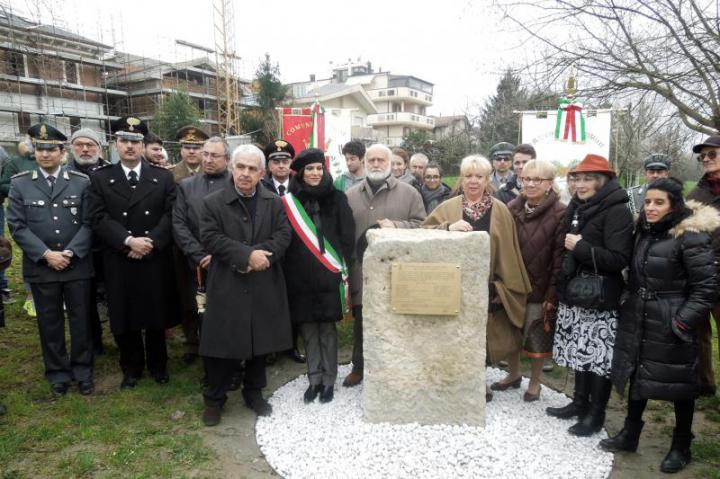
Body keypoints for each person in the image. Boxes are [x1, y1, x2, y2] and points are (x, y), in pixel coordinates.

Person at [601, 178, 719, 473]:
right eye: (648, 202)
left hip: (671, 319)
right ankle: (630, 433)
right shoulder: (644, 231)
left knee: (681, 384)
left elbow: (706, 288)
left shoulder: (690, 236)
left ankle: (681, 445)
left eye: (659, 203)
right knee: (637, 375)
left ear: (674, 205)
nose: (650, 208)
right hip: (639, 315)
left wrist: (681, 321)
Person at [423, 154, 532, 401]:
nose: (473, 181)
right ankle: (459, 379)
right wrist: (447, 228)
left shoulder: (500, 210)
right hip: (453, 286)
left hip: (487, 285)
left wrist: (502, 287)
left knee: (481, 335)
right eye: (468, 176)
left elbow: (509, 251)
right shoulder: (448, 207)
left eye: (479, 176)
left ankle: (479, 382)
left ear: (487, 179)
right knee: (457, 335)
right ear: (462, 179)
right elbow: (424, 233)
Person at [198, 144, 293, 426]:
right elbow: (210, 237)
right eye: (241, 167)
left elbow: (283, 236)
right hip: (227, 283)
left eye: (252, 169)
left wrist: (260, 256)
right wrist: (245, 255)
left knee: (258, 344)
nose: (245, 174)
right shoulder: (212, 202)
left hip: (263, 281)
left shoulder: (274, 202)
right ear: (232, 168)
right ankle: (215, 400)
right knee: (222, 347)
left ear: (261, 173)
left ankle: (254, 394)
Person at [87, 116, 179, 389]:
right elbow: (97, 217)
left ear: (143, 145)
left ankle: (158, 365)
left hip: (153, 254)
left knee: (155, 312)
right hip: (120, 256)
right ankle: (131, 367)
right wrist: (128, 241)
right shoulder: (101, 178)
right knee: (124, 315)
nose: (129, 146)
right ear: (115, 144)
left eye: (135, 141)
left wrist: (149, 241)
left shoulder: (162, 177)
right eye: (124, 141)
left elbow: (171, 214)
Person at [547, 154, 634, 436]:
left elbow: (620, 258)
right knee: (579, 352)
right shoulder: (579, 206)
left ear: (601, 181)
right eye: (577, 179)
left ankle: (595, 415)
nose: (580, 185)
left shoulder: (616, 210)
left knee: (598, 358)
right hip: (578, 293)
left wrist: (582, 247)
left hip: (600, 298)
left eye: (587, 179)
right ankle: (579, 403)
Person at [7, 123, 95, 397]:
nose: (45, 154)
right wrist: (47, 255)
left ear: (62, 151)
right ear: (34, 151)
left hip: (76, 263)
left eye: (51, 149)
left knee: (81, 321)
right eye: (40, 149)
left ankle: (82, 371)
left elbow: (89, 222)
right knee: (49, 321)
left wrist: (69, 253)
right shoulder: (21, 183)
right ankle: (57, 372)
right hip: (42, 266)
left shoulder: (81, 182)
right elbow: (17, 226)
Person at [342, 144, 426, 387]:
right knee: (361, 320)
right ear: (365, 162)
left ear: (390, 163)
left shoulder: (410, 193)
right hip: (361, 270)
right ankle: (359, 366)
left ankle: (397, 366)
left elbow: (422, 226)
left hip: (397, 271)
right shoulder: (350, 195)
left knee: (397, 321)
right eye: (372, 159)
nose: (376, 164)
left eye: (381, 160)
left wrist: (397, 226)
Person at [282, 148, 355, 404]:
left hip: (329, 274)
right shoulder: (290, 201)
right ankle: (313, 378)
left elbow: (347, 237)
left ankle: (329, 381)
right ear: (301, 173)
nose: (314, 173)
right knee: (308, 329)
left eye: (318, 168)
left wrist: (343, 269)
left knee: (327, 329)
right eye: (309, 169)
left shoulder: (337, 198)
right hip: (299, 277)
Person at [494, 160, 565, 401]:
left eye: (538, 180)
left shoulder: (560, 212)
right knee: (510, 333)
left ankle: (535, 382)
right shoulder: (512, 208)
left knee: (536, 337)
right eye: (527, 179)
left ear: (549, 184)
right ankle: (513, 374)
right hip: (512, 284)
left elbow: (559, 258)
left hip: (540, 285)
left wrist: (551, 294)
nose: (531, 184)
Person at [172, 137, 231, 367]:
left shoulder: (237, 184)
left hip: (227, 264)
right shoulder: (187, 186)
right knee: (200, 309)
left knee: (227, 313)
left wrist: (222, 254)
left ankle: (231, 361)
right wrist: (198, 254)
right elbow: (179, 223)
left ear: (227, 159)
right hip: (198, 266)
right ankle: (207, 359)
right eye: (205, 154)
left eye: (214, 155)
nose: (207, 159)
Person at [260, 139, 305, 364]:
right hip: (269, 251)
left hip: (296, 254)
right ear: (268, 165)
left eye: (285, 160)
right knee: (269, 301)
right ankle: (269, 347)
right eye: (275, 161)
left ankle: (291, 345)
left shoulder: (301, 185)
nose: (280, 165)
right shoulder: (260, 187)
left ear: (291, 163)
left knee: (293, 300)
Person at [66, 128, 109, 355]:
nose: (85, 149)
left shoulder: (110, 171)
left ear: (99, 147)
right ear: (72, 148)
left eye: (90, 144)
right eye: (79, 144)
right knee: (85, 298)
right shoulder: (65, 174)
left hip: (110, 245)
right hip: (79, 247)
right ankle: (94, 343)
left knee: (114, 293)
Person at [686, 133, 720, 397]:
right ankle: (704, 384)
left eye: (712, 154)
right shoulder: (696, 194)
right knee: (699, 334)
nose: (706, 159)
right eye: (702, 156)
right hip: (700, 276)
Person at [1, 138, 38, 317]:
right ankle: (31, 296)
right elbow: (3, 185)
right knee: (31, 252)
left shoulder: (59, 161)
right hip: (27, 213)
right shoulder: (16, 161)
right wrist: (24, 189)